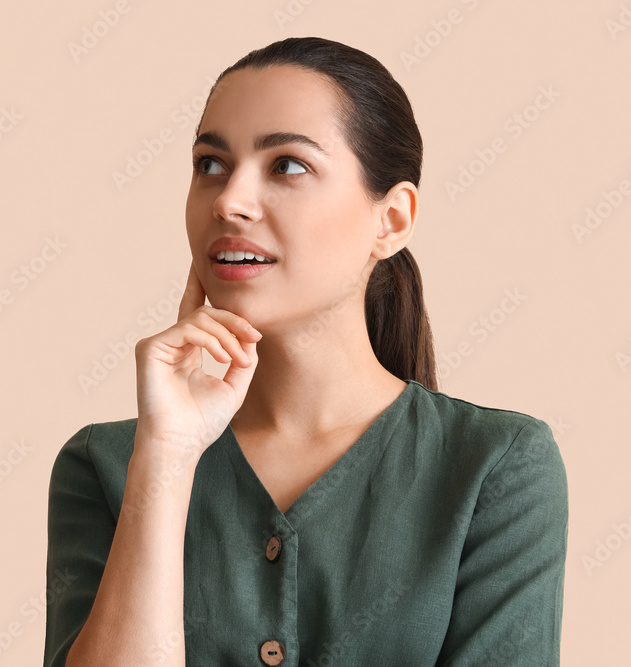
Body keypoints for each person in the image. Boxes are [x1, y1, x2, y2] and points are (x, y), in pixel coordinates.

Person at [44, 36, 568, 666]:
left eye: (287, 165)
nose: (229, 201)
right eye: (209, 164)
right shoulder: (105, 466)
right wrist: (167, 457)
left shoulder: (495, 467)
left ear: (392, 220)